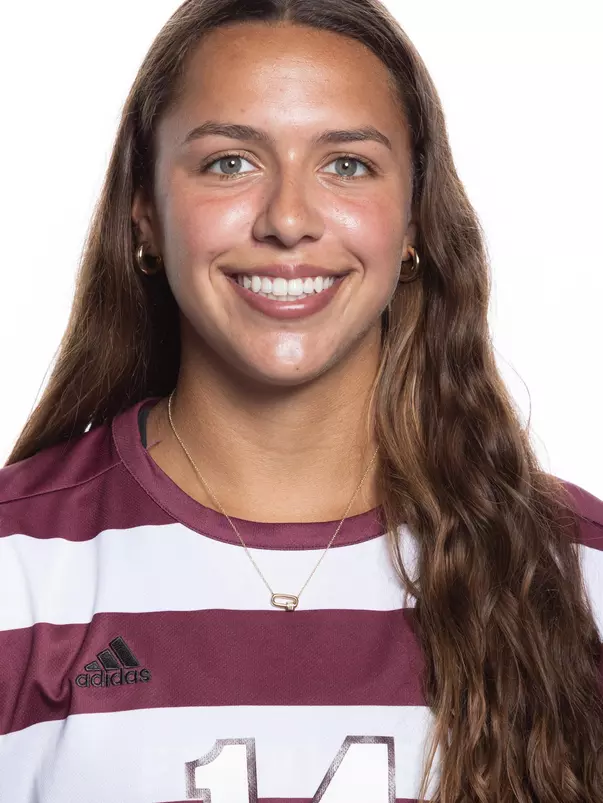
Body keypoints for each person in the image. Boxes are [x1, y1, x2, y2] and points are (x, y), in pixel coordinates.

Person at [1, 0, 602, 800]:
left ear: (415, 214)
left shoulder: (576, 572)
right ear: (144, 213)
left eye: (347, 164)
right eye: (228, 162)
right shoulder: (19, 570)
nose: (288, 220)